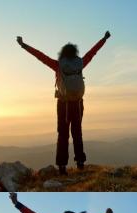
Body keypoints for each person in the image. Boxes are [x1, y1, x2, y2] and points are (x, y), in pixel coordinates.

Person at [16, 31, 111, 175]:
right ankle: (80, 162)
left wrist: (23, 45)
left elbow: (40, 56)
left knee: (63, 135)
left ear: (63, 54)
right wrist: (104, 39)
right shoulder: (80, 63)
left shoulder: (58, 65)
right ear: (74, 53)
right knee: (77, 133)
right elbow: (93, 52)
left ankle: (62, 166)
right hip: (78, 104)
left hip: (63, 104)